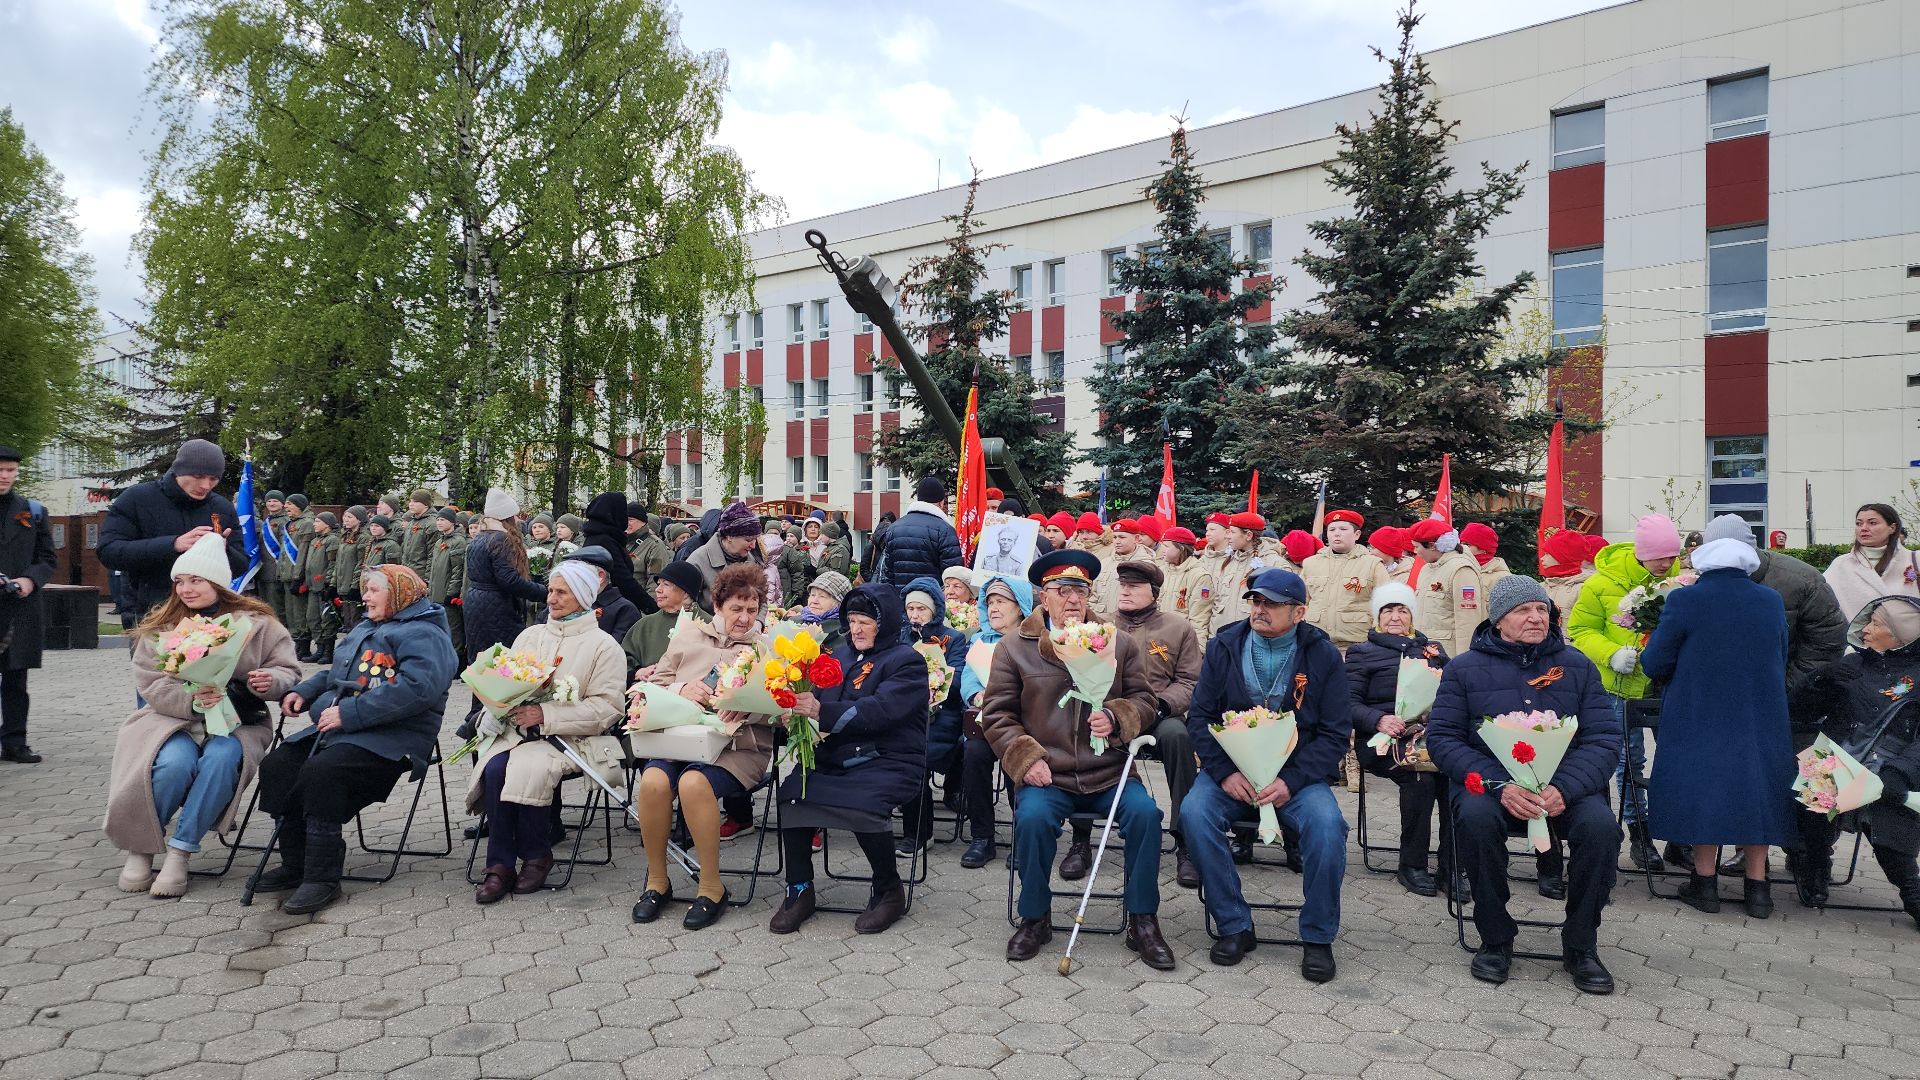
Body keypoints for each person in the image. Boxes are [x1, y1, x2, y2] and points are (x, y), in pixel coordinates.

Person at [1428, 575, 1621, 995]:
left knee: (1601, 829)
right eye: (1523, 610)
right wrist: (1501, 786)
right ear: (1498, 620)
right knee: (1475, 820)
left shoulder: (1577, 666)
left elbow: (1604, 739)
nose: (1536, 618)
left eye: (1541, 609)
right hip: (1492, 786)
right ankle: (1495, 937)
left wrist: (1564, 788)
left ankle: (1581, 943)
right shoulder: (1463, 669)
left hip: (1564, 788)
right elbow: (1443, 739)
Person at [981, 550, 1173, 971]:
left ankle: (1143, 919)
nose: (1073, 600)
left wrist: (1119, 717)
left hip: (1110, 772)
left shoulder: (1116, 641)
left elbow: (1145, 699)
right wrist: (1026, 758)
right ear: (1043, 596)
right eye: (1063, 590)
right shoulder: (1015, 647)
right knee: (1032, 819)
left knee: (1146, 815)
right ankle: (1035, 917)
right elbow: (996, 715)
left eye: (1081, 591)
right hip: (1048, 773)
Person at [105, 534, 302, 895]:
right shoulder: (163, 625)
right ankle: (141, 848)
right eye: (179, 581)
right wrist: (192, 699)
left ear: (217, 582)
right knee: (173, 764)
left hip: (238, 722)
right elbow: (150, 682)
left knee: (221, 759)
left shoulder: (259, 624)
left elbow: (288, 671)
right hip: (172, 721)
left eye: (196, 580)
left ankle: (181, 851)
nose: (186, 589)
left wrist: (268, 680)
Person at [257, 564, 458, 915]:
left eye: (373, 590)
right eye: (365, 589)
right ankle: (296, 863)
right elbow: (337, 673)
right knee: (279, 763)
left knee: (323, 771)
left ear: (399, 594)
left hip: (394, 737)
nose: (364, 596)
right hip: (343, 728)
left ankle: (322, 877)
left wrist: (350, 714)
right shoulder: (367, 626)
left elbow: (418, 689)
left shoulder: (426, 634)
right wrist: (304, 691)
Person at [1182, 569, 1349, 980]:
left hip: (1296, 778)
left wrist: (1292, 781)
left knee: (1328, 827)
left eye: (1272, 604)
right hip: (1232, 773)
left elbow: (1335, 733)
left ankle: (1318, 936)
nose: (1260, 609)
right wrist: (1224, 773)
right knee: (1194, 814)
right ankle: (1233, 924)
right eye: (1256, 601)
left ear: (1299, 613)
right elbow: (1200, 718)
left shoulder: (1323, 655)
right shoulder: (1224, 646)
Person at [1674, 516, 1847, 894]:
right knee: (1744, 777)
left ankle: (1813, 859)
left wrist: (1782, 687)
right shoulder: (1709, 583)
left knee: (1813, 778)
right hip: (1748, 702)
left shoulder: (1801, 580)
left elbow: (1828, 641)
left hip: (1799, 700)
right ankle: (1753, 866)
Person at [1640, 534, 1795, 918]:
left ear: (1704, 565)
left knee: (1704, 786)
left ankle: (1705, 884)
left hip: (1699, 711)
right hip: (1760, 712)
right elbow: (1781, 654)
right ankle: (1758, 889)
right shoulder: (1771, 600)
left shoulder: (1686, 599)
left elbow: (1655, 662)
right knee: (1757, 787)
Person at [768, 584, 931, 934]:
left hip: (889, 758)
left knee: (864, 803)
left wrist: (819, 711)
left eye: (865, 622)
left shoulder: (907, 661)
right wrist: (792, 712)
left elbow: (881, 710)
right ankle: (799, 889)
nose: (855, 629)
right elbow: (813, 698)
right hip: (834, 755)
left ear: (885, 624)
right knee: (792, 794)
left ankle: (888, 890)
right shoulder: (839, 655)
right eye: (852, 621)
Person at [468, 561, 627, 902]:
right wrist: (495, 706)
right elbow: (506, 680)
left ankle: (537, 855)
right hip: (518, 733)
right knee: (494, 767)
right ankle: (499, 865)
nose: (551, 599)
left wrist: (545, 713)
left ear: (583, 596)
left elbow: (607, 708)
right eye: (551, 591)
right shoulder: (531, 635)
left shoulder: (603, 646)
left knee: (529, 767)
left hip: (570, 739)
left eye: (561, 593)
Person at [632, 563, 778, 929]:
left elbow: (783, 711)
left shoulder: (767, 649)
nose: (745, 618)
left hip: (740, 748)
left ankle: (711, 887)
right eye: (736, 609)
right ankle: (657, 881)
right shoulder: (688, 636)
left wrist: (748, 706)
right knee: (653, 781)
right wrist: (681, 689)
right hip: (681, 741)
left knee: (693, 783)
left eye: (752, 609)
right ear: (717, 606)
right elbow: (652, 688)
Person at [1793, 595, 1920, 929]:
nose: (1865, 630)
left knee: (1890, 829)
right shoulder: (1853, 664)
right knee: (1816, 789)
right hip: (1839, 754)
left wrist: (1899, 772)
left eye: (1875, 624)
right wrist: (1818, 683)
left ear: (1900, 635)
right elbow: (1801, 711)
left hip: (1897, 768)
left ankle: (1913, 892)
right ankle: (1815, 866)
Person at [1567, 513, 1684, 872]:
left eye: (1672, 556)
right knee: (1629, 761)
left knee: (1677, 759)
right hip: (1619, 686)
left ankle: (1680, 835)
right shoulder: (1601, 583)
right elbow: (1580, 630)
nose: (1666, 563)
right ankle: (1639, 833)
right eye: (1660, 557)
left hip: (1667, 684)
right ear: (1641, 553)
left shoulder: (1679, 581)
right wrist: (1611, 653)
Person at [1346, 582, 1456, 898]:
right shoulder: (1361, 653)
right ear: (1377, 616)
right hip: (1382, 740)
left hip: (1427, 737)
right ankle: (1412, 865)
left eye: (1402, 610)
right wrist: (1378, 719)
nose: (1395, 617)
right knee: (1421, 780)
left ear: (1412, 615)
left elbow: (1453, 693)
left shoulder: (1433, 650)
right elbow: (1346, 703)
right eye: (1388, 610)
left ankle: (1452, 867)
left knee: (1455, 779)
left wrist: (1434, 717)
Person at [1110, 561, 1205, 888]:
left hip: (1159, 714)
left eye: (1134, 586)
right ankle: (1080, 839)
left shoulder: (1178, 628)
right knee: (1084, 737)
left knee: (1179, 736)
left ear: (1153, 593)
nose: (1125, 591)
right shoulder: (1102, 625)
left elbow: (1190, 681)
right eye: (1123, 585)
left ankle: (1186, 840)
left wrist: (1161, 706)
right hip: (1111, 715)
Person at [99, 438, 247, 626]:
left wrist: (222, 550)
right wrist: (173, 545)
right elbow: (108, 551)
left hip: (209, 618)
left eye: (213, 479)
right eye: (198, 476)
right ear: (179, 470)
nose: (206, 485)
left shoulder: (221, 507)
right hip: (151, 614)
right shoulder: (137, 498)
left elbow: (241, 566)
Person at [956, 573, 1033, 868]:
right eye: (990, 603)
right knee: (973, 754)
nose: (994, 608)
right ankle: (982, 837)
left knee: (1021, 757)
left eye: (1001, 601)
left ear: (1020, 606)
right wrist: (976, 695)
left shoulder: (1034, 641)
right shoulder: (979, 640)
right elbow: (968, 678)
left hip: (1024, 723)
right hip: (986, 722)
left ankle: (1023, 837)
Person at [459, 490, 548, 734]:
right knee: (503, 664)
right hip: (495, 607)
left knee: (483, 665)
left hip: (477, 604)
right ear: (506, 517)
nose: (518, 520)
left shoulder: (480, 536)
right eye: (514, 516)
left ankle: (476, 720)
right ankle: (489, 722)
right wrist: (544, 592)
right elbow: (509, 580)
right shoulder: (501, 539)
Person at [898, 576, 969, 857]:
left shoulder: (953, 638)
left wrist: (934, 681)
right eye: (910, 609)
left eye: (921, 609)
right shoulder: (899, 637)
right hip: (904, 714)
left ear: (935, 611)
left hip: (941, 715)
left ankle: (917, 833)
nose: (915, 615)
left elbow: (958, 680)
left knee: (914, 758)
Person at [0, 447, 56, 763]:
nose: (5, 476)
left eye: (10, 470)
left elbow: (47, 557)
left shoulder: (32, 511)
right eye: (0, 470)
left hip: (19, 606)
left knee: (16, 678)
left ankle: (14, 741)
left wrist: (29, 580)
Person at [1302, 510, 1392, 651]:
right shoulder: (1311, 563)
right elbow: (1301, 602)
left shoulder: (1372, 564)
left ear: (1357, 534)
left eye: (1343, 529)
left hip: (1358, 646)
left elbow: (1386, 604)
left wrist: (1377, 639)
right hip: (1316, 643)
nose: (1337, 533)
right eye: (1332, 530)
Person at [1825, 503, 1920, 624]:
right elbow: (1823, 603)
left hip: (1909, 634)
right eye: (1859, 523)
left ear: (1892, 528)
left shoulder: (1914, 560)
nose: (1864, 528)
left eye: (1872, 523)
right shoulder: (1841, 565)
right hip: (1858, 634)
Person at [1406, 520, 1483, 661]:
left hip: (1448, 656)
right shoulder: (1426, 569)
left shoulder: (1461, 570)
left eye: (1417, 547)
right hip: (1425, 653)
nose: (1415, 552)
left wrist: (1465, 661)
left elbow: (1468, 621)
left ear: (1432, 546)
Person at [621, 561, 710, 683]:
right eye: (658, 584)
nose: (658, 590)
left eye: (666, 585)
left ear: (685, 593)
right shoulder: (645, 624)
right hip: (646, 690)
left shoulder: (708, 625)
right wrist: (637, 672)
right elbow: (621, 659)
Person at [875, 477, 964, 585]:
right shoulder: (945, 530)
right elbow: (953, 575)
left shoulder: (894, 528)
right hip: (932, 594)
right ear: (941, 503)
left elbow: (887, 574)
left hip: (899, 594)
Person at [581, 492, 658, 616]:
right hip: (610, 610)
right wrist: (652, 608)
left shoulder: (597, 537)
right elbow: (623, 580)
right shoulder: (605, 541)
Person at [1204, 512, 1270, 637]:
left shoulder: (1271, 563)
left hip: (1250, 637)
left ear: (1248, 535)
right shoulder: (1228, 561)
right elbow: (1216, 601)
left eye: (1232, 532)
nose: (1227, 536)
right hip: (1221, 636)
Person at [687, 499, 764, 595]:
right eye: (748, 540)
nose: (753, 546)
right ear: (730, 536)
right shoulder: (698, 561)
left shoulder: (751, 560)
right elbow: (684, 601)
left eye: (755, 539)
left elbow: (760, 597)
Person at [1157, 526, 1215, 642]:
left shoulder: (1199, 576)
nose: (1163, 550)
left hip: (1182, 641)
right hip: (1159, 638)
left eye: (1167, 546)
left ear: (1181, 548)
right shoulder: (1161, 571)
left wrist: (1198, 649)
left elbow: (1199, 619)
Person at [427, 508, 467, 659]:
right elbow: (433, 567)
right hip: (435, 593)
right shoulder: (439, 541)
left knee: (453, 630)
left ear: (452, 522)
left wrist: (452, 592)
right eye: (437, 520)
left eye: (442, 520)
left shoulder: (458, 542)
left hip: (447, 595)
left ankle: (457, 659)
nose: (439, 522)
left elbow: (458, 570)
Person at [301, 512, 340, 664]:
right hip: (312, 586)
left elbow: (332, 563)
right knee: (312, 618)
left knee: (327, 619)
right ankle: (319, 647)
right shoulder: (315, 540)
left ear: (327, 524)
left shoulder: (332, 540)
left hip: (323, 585)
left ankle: (328, 651)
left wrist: (328, 582)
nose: (314, 524)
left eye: (318, 521)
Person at [1093, 519, 1154, 614]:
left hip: (1132, 621)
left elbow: (1153, 600)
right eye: (1114, 537)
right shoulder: (1104, 563)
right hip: (1103, 620)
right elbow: (1093, 595)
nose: (1117, 541)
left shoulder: (1146, 566)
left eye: (1122, 537)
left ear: (1136, 538)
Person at [1539, 530, 1593, 631]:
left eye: (1547, 554)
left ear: (1563, 556)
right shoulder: (1541, 587)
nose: (1542, 558)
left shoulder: (1584, 588)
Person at [332, 507, 368, 635]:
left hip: (353, 584)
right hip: (343, 583)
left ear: (359, 520)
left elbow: (361, 562)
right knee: (347, 622)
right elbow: (338, 561)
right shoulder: (344, 535)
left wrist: (355, 584)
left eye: (349, 517)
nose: (345, 520)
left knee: (355, 620)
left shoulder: (363, 537)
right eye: (345, 516)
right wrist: (334, 583)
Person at [798, 570, 850, 654]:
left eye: (822, 596)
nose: (814, 601)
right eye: (812, 595)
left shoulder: (845, 636)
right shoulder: (794, 622)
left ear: (839, 603)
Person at [400, 489, 437, 581]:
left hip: (421, 575)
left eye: (415, 501)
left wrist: (427, 579)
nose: (411, 504)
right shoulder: (411, 523)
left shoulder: (432, 523)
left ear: (426, 504)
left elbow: (433, 554)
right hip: (407, 574)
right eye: (410, 501)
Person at [1460, 523, 1511, 589]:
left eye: (1467, 544)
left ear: (1483, 549)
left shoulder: (1503, 579)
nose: (1462, 547)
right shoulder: (1459, 568)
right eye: (1460, 543)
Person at [626, 504, 671, 581]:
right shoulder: (621, 542)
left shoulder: (655, 545)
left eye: (630, 520)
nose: (625, 523)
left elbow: (655, 580)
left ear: (643, 522)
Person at [861, 510, 897, 584]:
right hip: (882, 584)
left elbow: (863, 568)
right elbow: (863, 569)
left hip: (874, 585)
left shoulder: (872, 544)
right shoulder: (872, 546)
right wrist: (873, 581)